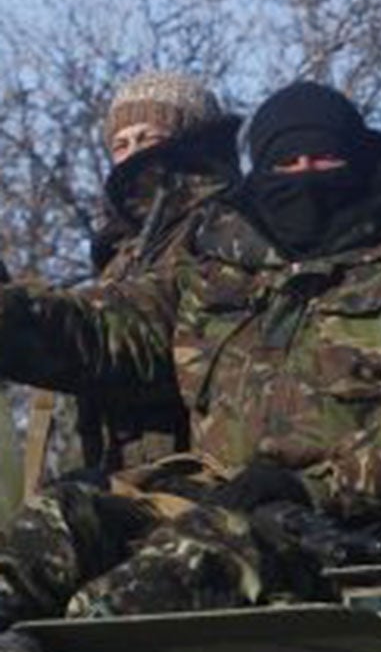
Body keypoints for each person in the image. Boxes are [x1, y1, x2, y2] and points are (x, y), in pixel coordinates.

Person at [0, 81, 381, 652]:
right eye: (284, 167)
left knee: (174, 568)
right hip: (205, 495)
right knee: (60, 516)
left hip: (339, 529)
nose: (303, 183)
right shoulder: (217, 274)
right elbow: (101, 333)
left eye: (321, 164)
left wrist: (311, 484)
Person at [47, 72, 244, 479]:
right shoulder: (121, 256)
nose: (133, 153)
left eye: (149, 138)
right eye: (121, 144)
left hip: (200, 479)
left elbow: (136, 332)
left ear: (191, 142)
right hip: (125, 475)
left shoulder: (226, 232)